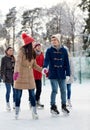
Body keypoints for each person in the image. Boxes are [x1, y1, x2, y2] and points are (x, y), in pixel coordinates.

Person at [13, 33, 42, 119]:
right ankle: (17, 112)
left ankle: (34, 112)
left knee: (32, 95)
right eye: (32, 42)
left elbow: (34, 65)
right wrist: (16, 72)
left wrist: (42, 70)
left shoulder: (33, 52)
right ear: (28, 44)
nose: (33, 44)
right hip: (20, 75)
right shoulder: (21, 51)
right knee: (18, 95)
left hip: (29, 77)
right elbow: (18, 62)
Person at [42, 34, 70, 115]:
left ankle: (64, 106)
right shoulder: (49, 50)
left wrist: (67, 74)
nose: (53, 41)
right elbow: (46, 60)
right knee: (54, 90)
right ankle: (53, 106)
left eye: (55, 40)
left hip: (62, 74)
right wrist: (44, 67)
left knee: (63, 90)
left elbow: (66, 63)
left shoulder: (64, 50)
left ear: (58, 41)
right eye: (52, 40)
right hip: (53, 73)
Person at [1, 47, 16, 111]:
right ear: (6, 51)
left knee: (15, 91)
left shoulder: (14, 58)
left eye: (12, 50)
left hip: (14, 77)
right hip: (7, 76)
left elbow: (16, 67)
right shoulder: (4, 58)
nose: (11, 52)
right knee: (8, 91)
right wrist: (3, 76)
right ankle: (7, 104)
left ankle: (14, 103)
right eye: (10, 50)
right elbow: (2, 68)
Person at [32, 43, 44, 109]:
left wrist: (44, 69)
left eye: (40, 46)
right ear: (35, 47)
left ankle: (37, 101)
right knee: (32, 89)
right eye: (38, 46)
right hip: (32, 74)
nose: (39, 47)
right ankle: (31, 102)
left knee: (39, 89)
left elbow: (44, 63)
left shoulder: (42, 54)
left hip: (39, 74)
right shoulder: (32, 54)